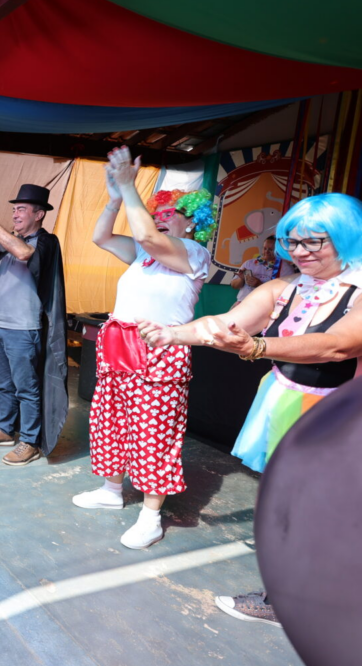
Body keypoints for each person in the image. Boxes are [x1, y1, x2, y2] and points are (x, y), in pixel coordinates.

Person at [136, 192, 362, 620]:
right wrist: (171, 335)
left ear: (346, 237)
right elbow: (223, 325)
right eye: (294, 242)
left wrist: (258, 345)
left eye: (315, 241)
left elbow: (336, 346)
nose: (301, 251)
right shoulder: (285, 287)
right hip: (285, 400)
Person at [70, 147, 215, 550]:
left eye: (174, 212)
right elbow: (101, 236)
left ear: (193, 224)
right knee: (109, 421)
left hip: (160, 350)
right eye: (160, 210)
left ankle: (151, 516)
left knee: (154, 433)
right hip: (118, 344)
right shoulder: (143, 257)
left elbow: (148, 235)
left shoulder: (195, 255)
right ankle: (111, 490)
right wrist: (117, 197)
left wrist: (130, 185)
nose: (163, 216)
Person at [0, 184, 68, 467]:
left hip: (24, 329)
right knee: (3, 385)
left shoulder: (46, 242)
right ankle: (5, 429)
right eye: (14, 209)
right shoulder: (6, 242)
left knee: (26, 388)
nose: (16, 214)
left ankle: (30, 441)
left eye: (21, 209)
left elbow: (24, 254)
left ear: (39, 214)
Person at [230, 235, 294, 306]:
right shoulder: (249, 263)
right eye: (265, 248)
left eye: (270, 249)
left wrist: (259, 284)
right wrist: (242, 279)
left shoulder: (286, 268)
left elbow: (285, 293)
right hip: (242, 303)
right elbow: (234, 285)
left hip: (266, 307)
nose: (266, 252)